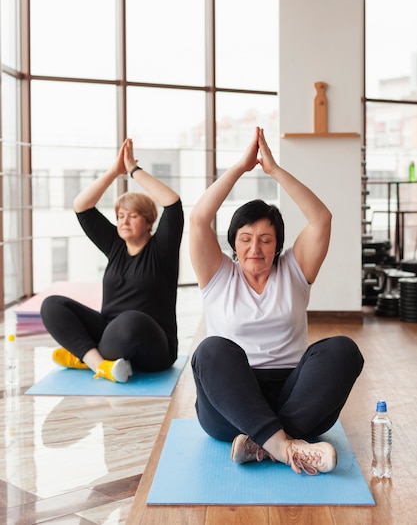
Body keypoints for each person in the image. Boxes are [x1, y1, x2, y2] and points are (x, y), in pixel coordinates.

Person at [189, 126, 364, 475]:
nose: (255, 249)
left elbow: (321, 219)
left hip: (294, 395)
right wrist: (241, 167)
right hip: (229, 406)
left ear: (278, 244)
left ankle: (262, 443)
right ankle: (285, 445)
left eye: (266, 240)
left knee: (344, 350)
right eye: (246, 239)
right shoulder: (218, 274)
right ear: (233, 244)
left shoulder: (294, 270)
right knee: (211, 351)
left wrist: (274, 170)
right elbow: (197, 219)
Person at [41, 138, 184, 383]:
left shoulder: (162, 248)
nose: (124, 221)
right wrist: (113, 172)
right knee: (52, 305)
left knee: (130, 320)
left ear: (149, 222)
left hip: (154, 344)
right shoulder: (115, 245)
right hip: (111, 331)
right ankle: (100, 365)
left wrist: (133, 171)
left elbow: (172, 203)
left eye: (133, 216)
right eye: (120, 216)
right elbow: (82, 206)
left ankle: (84, 357)